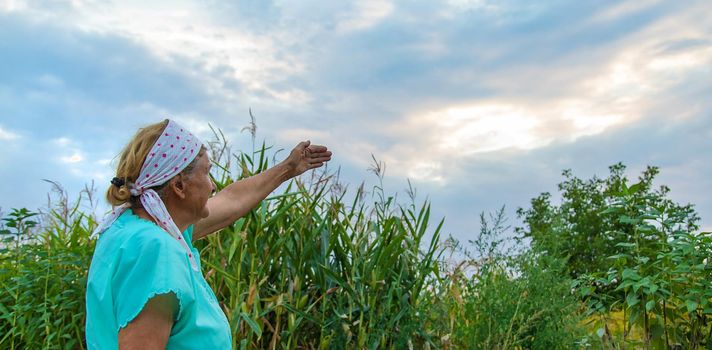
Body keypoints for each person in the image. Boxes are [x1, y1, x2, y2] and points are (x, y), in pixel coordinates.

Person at [85, 119, 331, 349]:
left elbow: (232, 200)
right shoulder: (155, 248)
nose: (213, 185)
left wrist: (288, 168)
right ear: (179, 185)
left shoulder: (128, 228)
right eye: (206, 172)